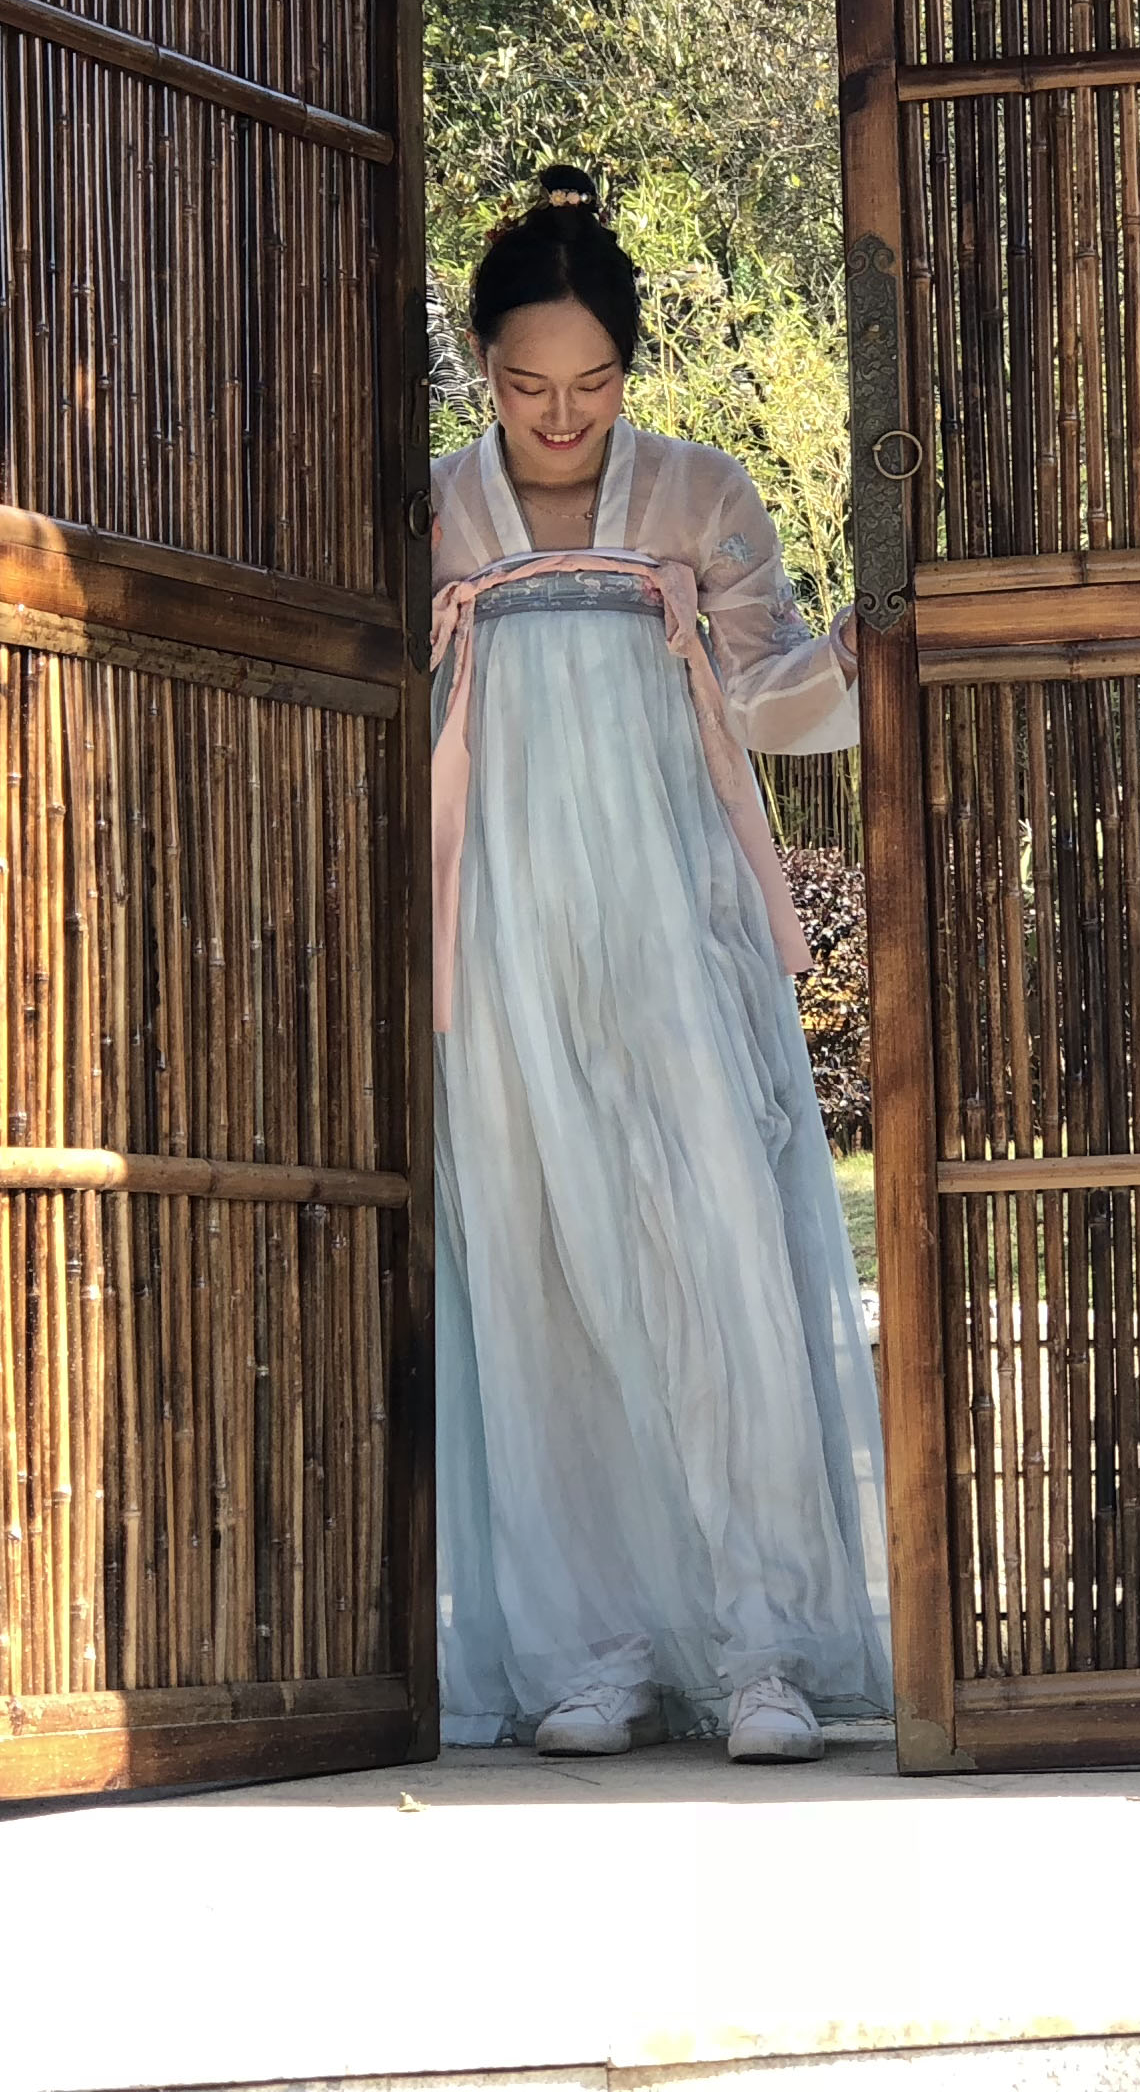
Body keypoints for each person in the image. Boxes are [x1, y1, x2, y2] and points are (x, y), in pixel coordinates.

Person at [426, 165, 890, 1764]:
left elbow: (763, 699)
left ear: (632, 366)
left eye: (595, 383)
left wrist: (862, 646)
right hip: (504, 931)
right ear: (480, 363)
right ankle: (588, 1645)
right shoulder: (433, 512)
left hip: (672, 920)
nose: (563, 418)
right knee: (541, 1268)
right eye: (527, 386)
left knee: (717, 1258)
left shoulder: (699, 494)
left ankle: (763, 1641)